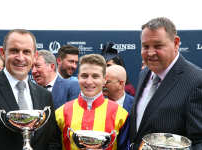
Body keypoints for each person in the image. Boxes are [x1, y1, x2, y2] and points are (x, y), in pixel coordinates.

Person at [129, 17, 202, 150]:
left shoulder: (196, 81)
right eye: (145, 46)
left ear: (176, 43)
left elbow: (199, 141)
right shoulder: (144, 74)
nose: (150, 53)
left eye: (158, 46)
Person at [55, 54, 129, 150]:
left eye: (95, 76)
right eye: (84, 76)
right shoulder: (61, 113)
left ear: (104, 80)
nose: (89, 82)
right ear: (78, 78)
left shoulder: (121, 115)